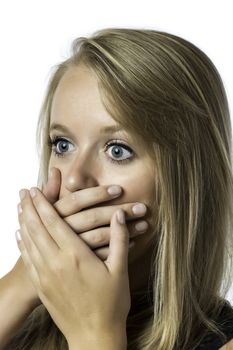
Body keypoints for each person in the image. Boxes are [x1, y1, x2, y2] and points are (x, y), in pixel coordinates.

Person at [0, 27, 233, 350]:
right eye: (63, 144)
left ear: (185, 180)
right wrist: (21, 285)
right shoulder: (19, 316)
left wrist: (95, 333)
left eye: (117, 150)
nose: (73, 179)